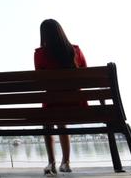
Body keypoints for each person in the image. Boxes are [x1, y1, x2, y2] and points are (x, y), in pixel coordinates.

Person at [34, 19, 87, 175]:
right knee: (61, 123)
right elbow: (85, 75)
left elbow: (40, 82)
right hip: (76, 104)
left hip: (53, 105)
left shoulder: (40, 54)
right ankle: (66, 162)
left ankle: (51, 163)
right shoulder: (75, 51)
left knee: (48, 122)